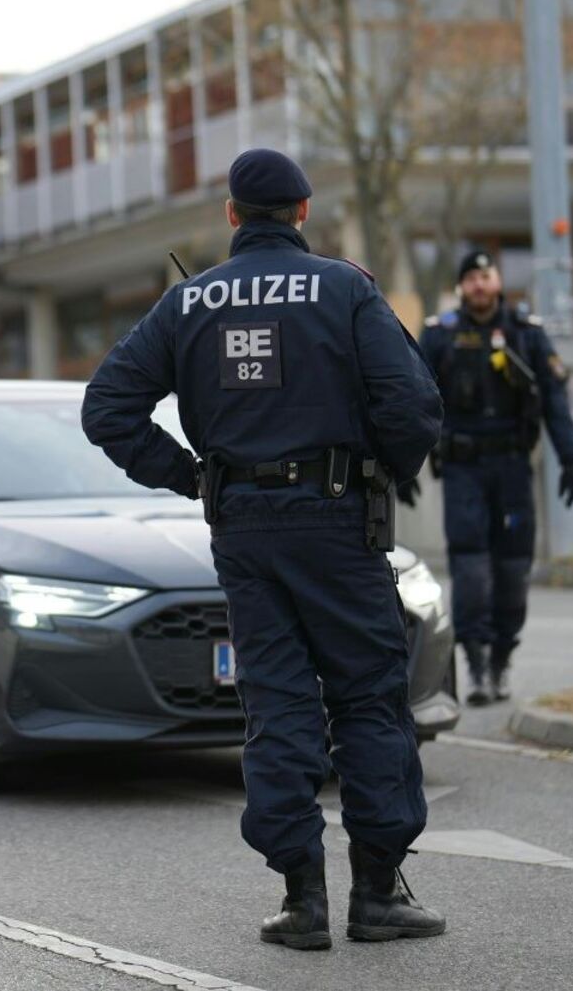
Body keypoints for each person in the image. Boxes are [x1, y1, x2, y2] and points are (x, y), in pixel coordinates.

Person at [82, 148, 445, 950]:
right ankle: (378, 894)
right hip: (339, 518)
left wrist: (193, 477)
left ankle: (303, 900)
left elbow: (107, 407)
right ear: (305, 211)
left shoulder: (189, 303)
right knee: (367, 696)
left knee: (277, 701)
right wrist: (383, 471)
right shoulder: (346, 288)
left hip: (243, 528)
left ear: (232, 216)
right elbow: (413, 401)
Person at [415, 251, 573, 706]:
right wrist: (400, 462)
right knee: (470, 568)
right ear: (462, 287)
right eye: (470, 278)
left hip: (511, 469)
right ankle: (477, 665)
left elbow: (554, 400)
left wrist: (570, 458)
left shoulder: (527, 335)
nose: (479, 285)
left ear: (497, 280)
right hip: (463, 469)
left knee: (512, 569)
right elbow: (410, 398)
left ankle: (503, 656)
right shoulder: (440, 336)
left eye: (485, 276)